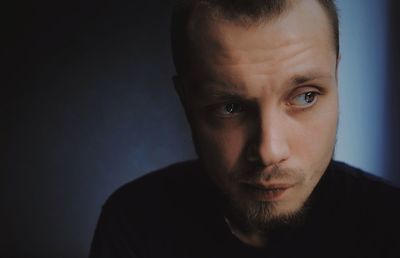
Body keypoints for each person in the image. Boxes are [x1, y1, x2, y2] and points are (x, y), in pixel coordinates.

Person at [89, 0, 400, 257]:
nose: (269, 151)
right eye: (230, 107)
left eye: (306, 96)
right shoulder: (135, 222)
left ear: (336, 78)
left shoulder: (390, 224)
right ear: (185, 101)